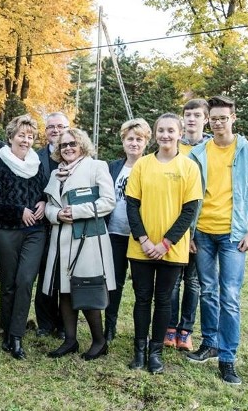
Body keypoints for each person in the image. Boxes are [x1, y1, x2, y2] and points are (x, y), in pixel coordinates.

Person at [187, 96, 248, 385]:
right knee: (207, 290)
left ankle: (227, 358)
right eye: (214, 118)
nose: (218, 122)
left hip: (234, 235)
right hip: (203, 233)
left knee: (229, 296)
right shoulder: (197, 153)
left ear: (234, 118)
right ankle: (210, 343)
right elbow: (188, 195)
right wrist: (188, 234)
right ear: (208, 120)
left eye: (224, 117)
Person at [126, 113, 202, 374]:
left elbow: (189, 211)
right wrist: (144, 239)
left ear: (180, 133)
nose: (165, 135)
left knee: (164, 301)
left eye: (171, 130)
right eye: (161, 130)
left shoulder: (189, 167)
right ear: (155, 134)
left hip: (172, 249)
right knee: (142, 299)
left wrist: (166, 243)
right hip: (141, 247)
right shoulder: (143, 165)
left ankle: (156, 352)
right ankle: (139, 351)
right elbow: (132, 205)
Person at [42, 128, 116, 360]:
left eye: (72, 143)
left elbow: (108, 202)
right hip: (61, 238)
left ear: (82, 144)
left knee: (87, 287)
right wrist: (56, 215)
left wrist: (76, 211)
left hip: (87, 238)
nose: (68, 148)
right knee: (64, 290)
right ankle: (70, 340)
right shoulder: (56, 174)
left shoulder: (96, 167)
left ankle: (99, 341)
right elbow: (49, 205)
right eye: (63, 145)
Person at [0, 114, 47, 359]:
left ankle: (17, 336)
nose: (26, 140)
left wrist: (43, 203)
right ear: (10, 137)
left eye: (30, 136)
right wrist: (19, 211)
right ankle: (7, 332)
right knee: (8, 284)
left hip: (34, 232)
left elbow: (45, 193)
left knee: (25, 280)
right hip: (6, 231)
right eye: (21, 135)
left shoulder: (37, 164)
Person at [164, 98, 211, 351]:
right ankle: (169, 329)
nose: (191, 118)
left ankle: (185, 331)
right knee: (172, 280)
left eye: (197, 115)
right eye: (188, 114)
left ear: (205, 119)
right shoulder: (174, 146)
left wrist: (195, 231)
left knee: (192, 281)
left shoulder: (210, 148)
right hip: (175, 225)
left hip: (201, 226)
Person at [104, 119, 152, 344]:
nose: (134, 143)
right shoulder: (112, 167)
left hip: (141, 236)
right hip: (114, 233)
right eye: (130, 139)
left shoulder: (152, 167)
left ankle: (141, 331)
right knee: (113, 282)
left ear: (146, 142)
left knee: (142, 287)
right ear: (123, 141)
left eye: (139, 139)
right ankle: (109, 325)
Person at [34, 112, 68, 339]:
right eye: (51, 127)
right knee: (45, 274)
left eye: (60, 126)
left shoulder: (75, 155)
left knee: (65, 276)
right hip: (42, 225)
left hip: (68, 224)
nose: (55, 130)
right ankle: (45, 323)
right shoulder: (35, 157)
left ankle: (65, 324)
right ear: (45, 132)